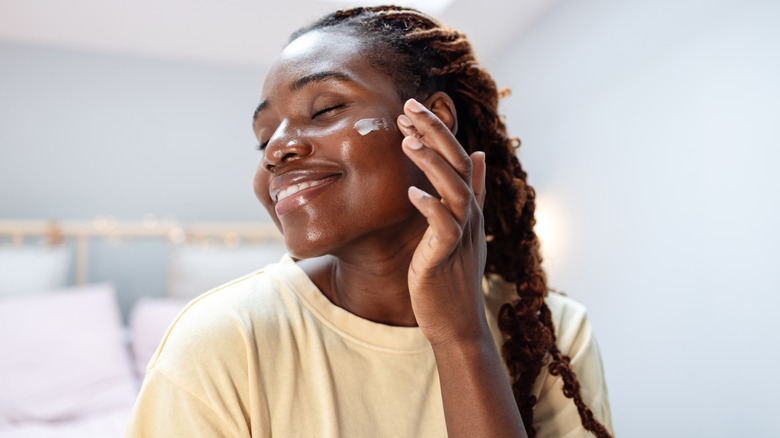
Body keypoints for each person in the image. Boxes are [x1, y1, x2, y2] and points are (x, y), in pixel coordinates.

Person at [125, 6, 613, 438]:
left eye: (326, 108)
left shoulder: (550, 332)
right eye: (264, 136)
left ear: (430, 122)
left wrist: (462, 336)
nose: (276, 150)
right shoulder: (220, 341)